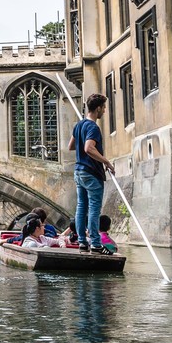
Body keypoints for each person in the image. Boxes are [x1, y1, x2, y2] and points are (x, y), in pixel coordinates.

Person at [68, 93, 114, 252]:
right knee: (94, 208)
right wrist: (106, 161)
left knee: (81, 207)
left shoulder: (79, 125)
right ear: (98, 108)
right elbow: (88, 148)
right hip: (91, 173)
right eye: (104, 107)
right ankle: (95, 243)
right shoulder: (93, 127)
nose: (105, 111)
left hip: (78, 172)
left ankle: (82, 241)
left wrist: (82, 141)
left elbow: (71, 146)